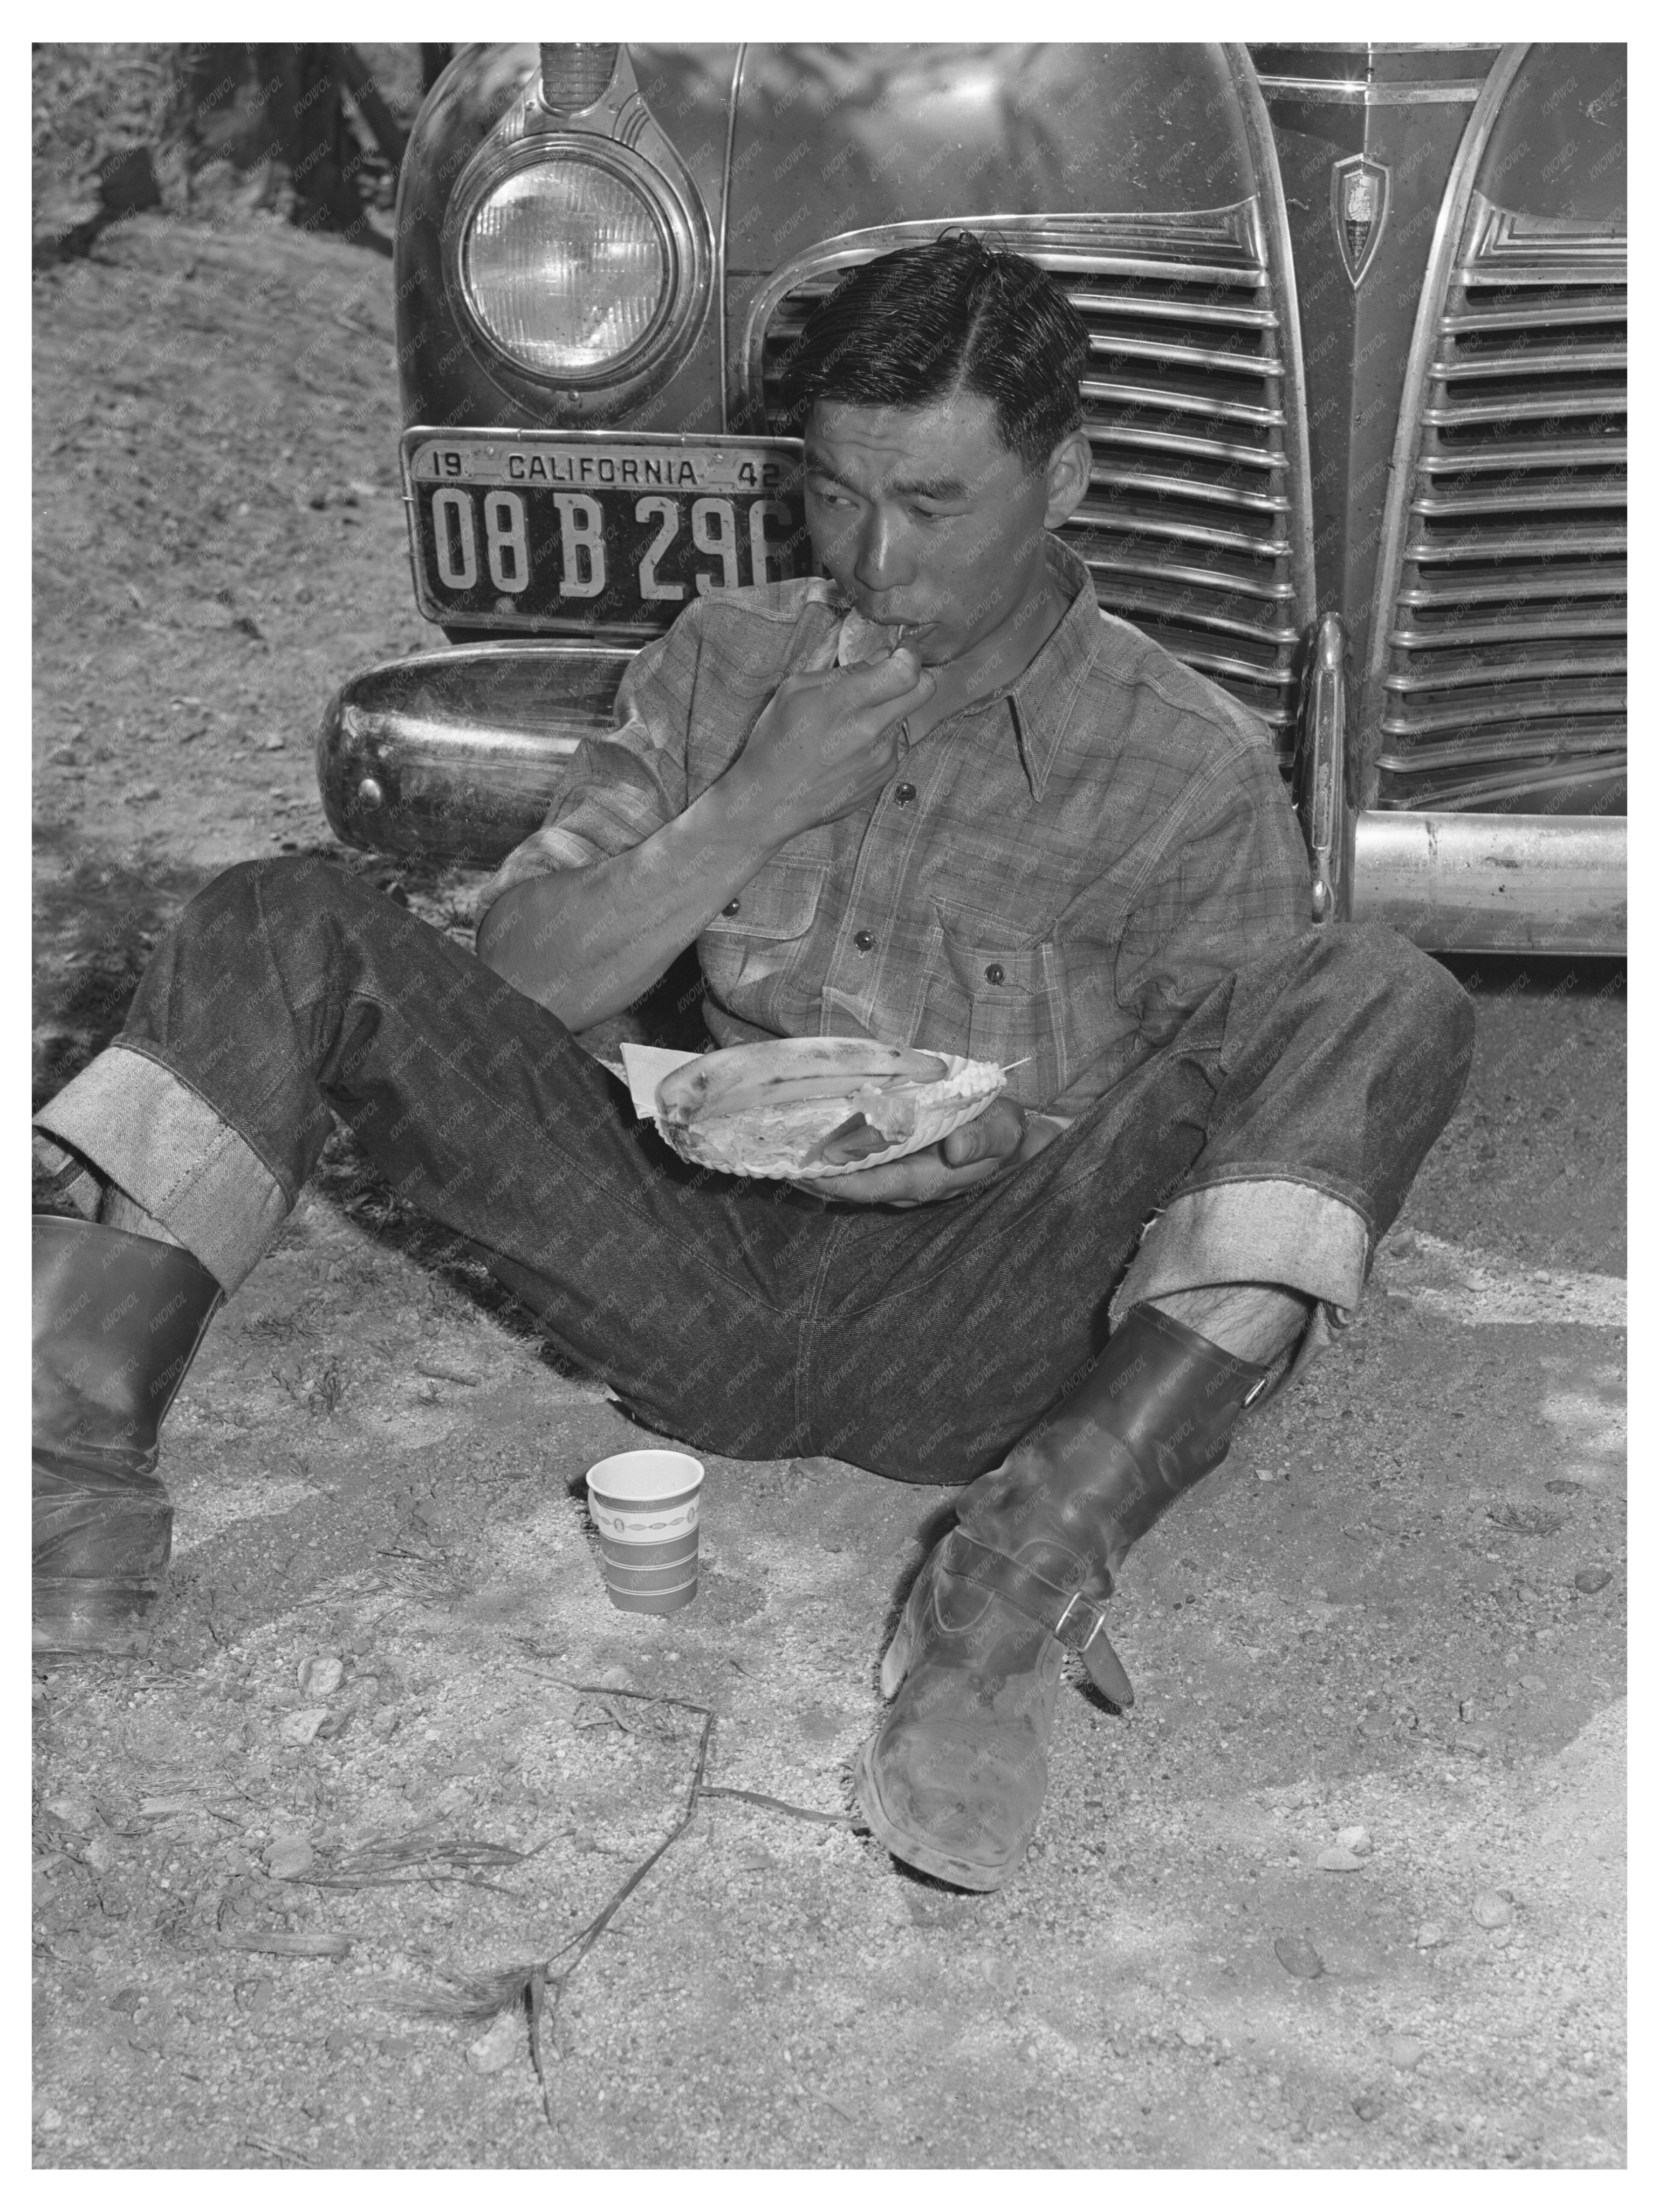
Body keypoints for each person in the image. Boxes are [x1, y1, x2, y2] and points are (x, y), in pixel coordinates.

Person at [32, 234, 1474, 1893]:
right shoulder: (728, 656)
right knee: (278, 916)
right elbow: (522, 983)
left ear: (1063, 476)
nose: (876, 562)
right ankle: (64, 1479)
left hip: (975, 1324)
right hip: (686, 1274)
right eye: (836, 497)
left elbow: (1221, 1141)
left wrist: (1008, 1153)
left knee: (1381, 991)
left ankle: (999, 1611)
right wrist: (756, 800)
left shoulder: (1187, 766)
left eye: (934, 504)